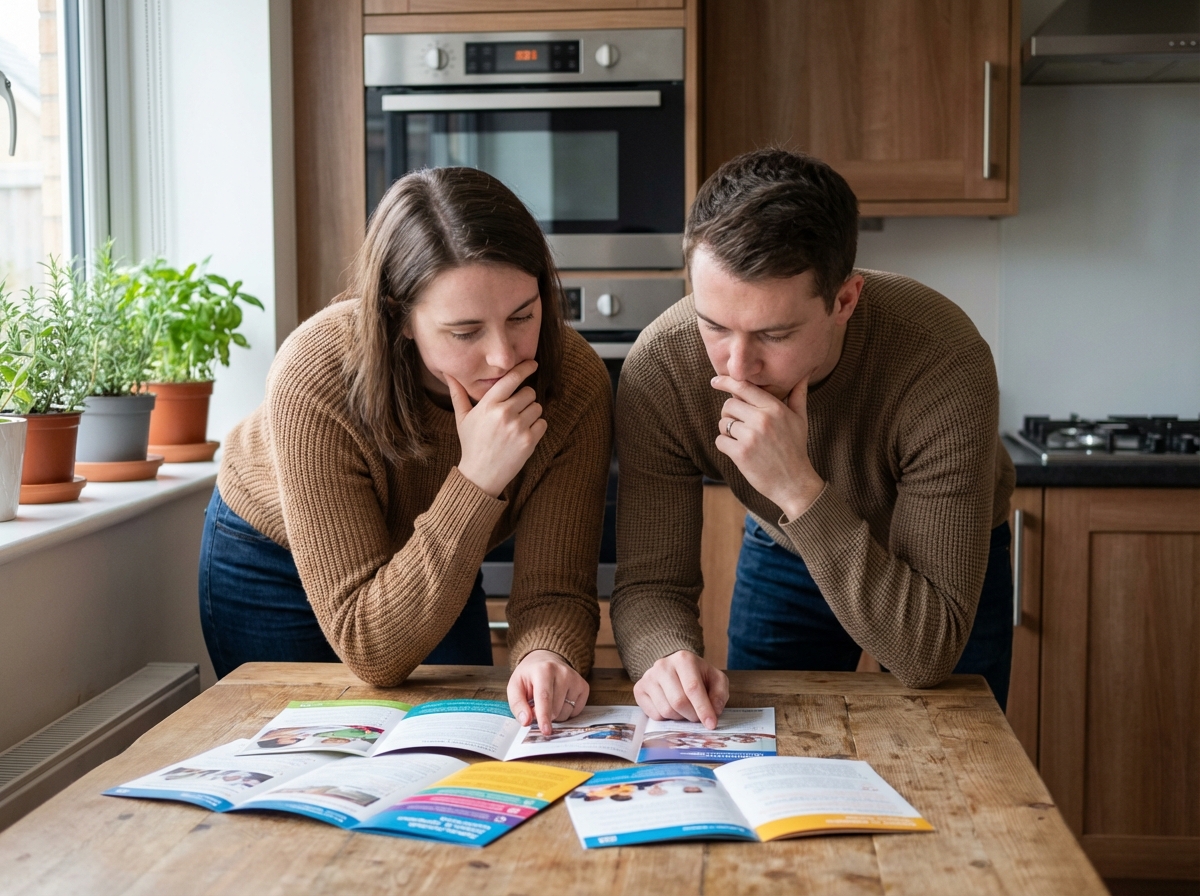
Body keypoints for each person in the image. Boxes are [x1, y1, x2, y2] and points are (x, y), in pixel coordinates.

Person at [610, 149, 1016, 727]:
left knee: (958, 747)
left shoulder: (943, 361)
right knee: (770, 745)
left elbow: (925, 654)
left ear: (844, 300)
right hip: (788, 547)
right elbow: (652, 581)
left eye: (774, 334)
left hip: (943, 563)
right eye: (714, 325)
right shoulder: (661, 369)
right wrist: (665, 656)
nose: (738, 365)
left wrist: (796, 486)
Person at [200, 167, 612, 734]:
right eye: (465, 332)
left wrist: (548, 656)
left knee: (457, 751)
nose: (503, 356)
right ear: (400, 320)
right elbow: (371, 649)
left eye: (523, 316)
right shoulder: (314, 375)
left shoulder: (575, 384)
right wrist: (477, 478)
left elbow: (555, 589)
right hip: (274, 562)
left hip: (435, 549)